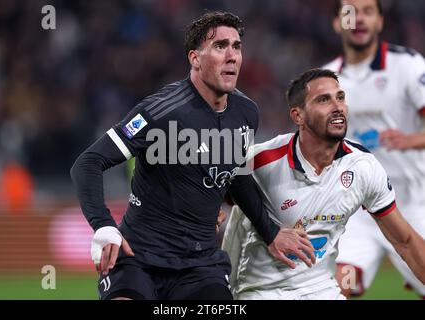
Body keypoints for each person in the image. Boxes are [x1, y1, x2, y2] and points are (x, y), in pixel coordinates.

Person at [70, 11, 315, 300]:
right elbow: (88, 162)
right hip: (138, 257)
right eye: (220, 46)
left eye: (236, 47)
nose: (232, 55)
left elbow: (236, 176)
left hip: (200, 267)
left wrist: (271, 232)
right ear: (194, 59)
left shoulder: (246, 113)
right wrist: (104, 225)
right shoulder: (160, 111)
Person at [222, 68, 425, 300]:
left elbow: (405, 241)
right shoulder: (262, 161)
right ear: (298, 116)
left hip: (322, 291)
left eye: (340, 97)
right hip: (260, 291)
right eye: (323, 100)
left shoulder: (363, 167)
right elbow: (202, 192)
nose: (338, 107)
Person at [323, 0, 425, 298]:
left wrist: (410, 139)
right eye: (349, 13)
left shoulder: (409, 66)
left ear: (380, 21)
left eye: (368, 11)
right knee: (339, 288)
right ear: (336, 23)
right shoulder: (324, 79)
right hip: (357, 212)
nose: (359, 19)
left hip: (411, 205)